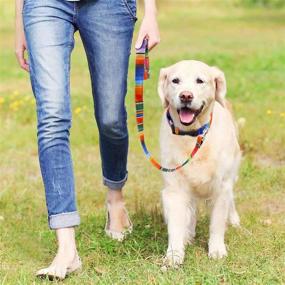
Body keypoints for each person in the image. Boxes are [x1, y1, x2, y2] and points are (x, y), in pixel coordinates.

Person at [15, 0, 159, 280]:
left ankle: (115, 199)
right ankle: (66, 247)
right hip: (44, 6)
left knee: (111, 119)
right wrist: (19, 22)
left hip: (109, 5)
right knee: (52, 117)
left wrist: (151, 13)